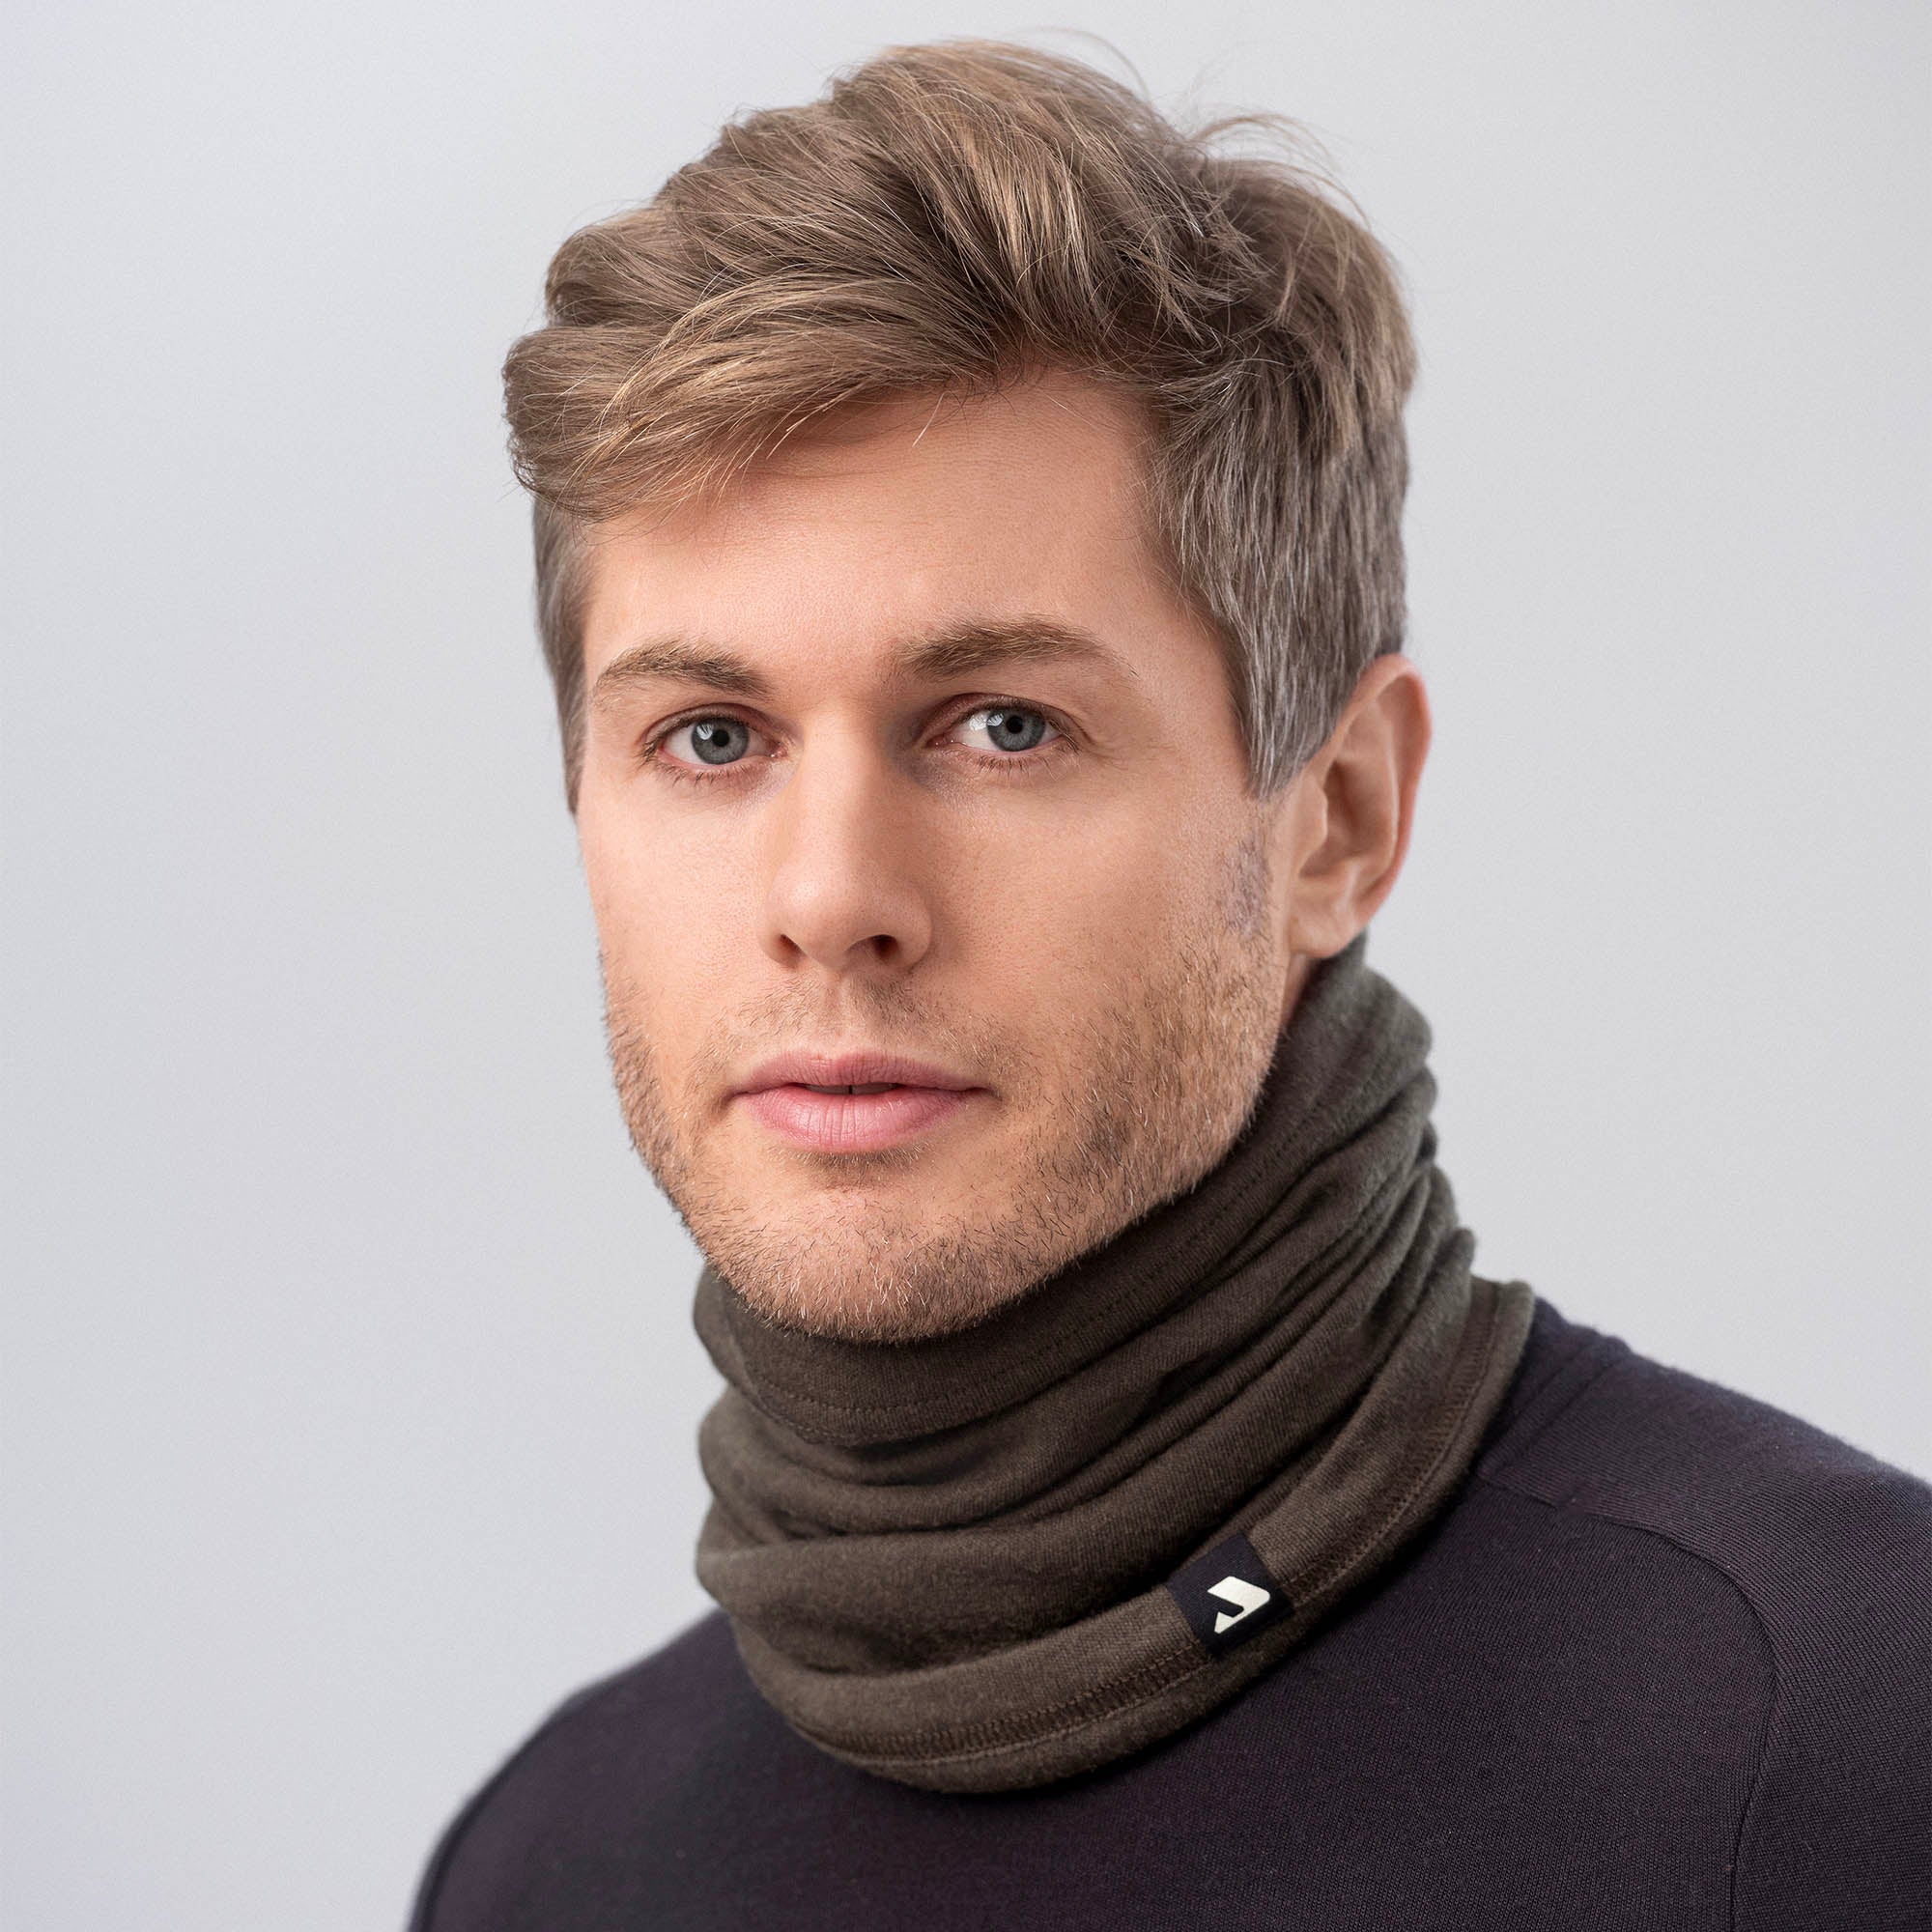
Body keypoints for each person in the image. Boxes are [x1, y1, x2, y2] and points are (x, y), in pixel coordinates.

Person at [407, 40, 1929, 1930]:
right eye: (712, 737)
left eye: (1002, 723)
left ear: (1338, 818)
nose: (831, 898)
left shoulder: (1853, 1735)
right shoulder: (552, 1865)